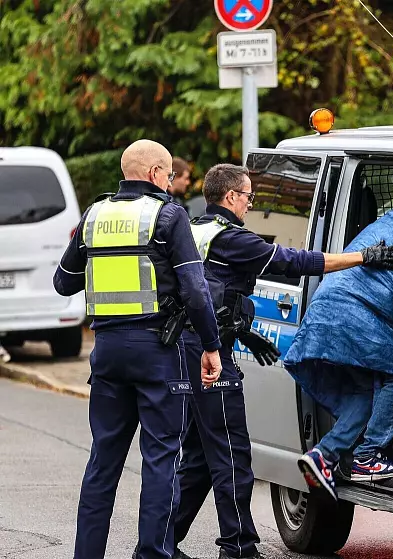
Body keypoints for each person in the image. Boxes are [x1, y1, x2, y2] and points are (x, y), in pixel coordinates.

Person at [172, 164, 393, 559]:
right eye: (248, 197)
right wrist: (363, 256)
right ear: (231, 197)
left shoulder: (195, 230)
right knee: (232, 455)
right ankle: (239, 549)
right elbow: (295, 261)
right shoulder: (232, 238)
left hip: (186, 348)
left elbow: (206, 290)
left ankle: (161, 544)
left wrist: (240, 330)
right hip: (209, 354)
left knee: (197, 458)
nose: (250, 204)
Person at [52, 139, 223, 559]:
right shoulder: (168, 215)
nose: (170, 181)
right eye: (168, 174)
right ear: (154, 173)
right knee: (161, 459)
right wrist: (211, 345)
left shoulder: (94, 215)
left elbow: (63, 282)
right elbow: (195, 290)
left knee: (102, 463)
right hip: (156, 352)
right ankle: (152, 554)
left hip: (107, 353)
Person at [284, 189, 393, 501]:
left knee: (364, 393)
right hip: (355, 314)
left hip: (325, 310)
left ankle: (323, 455)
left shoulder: (390, 222)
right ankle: (367, 456)